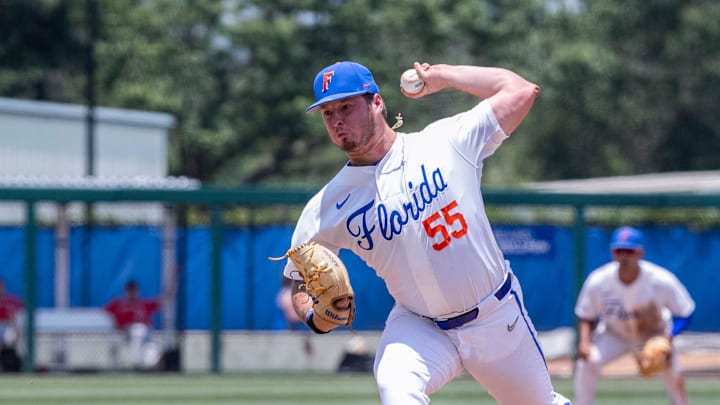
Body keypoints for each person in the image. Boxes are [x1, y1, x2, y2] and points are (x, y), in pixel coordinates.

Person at [280, 60, 570, 404]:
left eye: (346, 106)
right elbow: (298, 280)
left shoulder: (445, 142)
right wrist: (314, 317)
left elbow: (521, 90)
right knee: (395, 387)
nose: (338, 119)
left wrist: (444, 77)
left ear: (376, 102)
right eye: (327, 113)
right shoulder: (326, 205)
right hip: (419, 326)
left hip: (495, 316)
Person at [573, 226, 695, 405]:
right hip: (615, 335)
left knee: (673, 370)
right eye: (619, 250)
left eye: (629, 251)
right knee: (588, 361)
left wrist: (668, 337)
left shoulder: (660, 280)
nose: (624, 256)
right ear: (612, 252)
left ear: (640, 252)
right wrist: (584, 343)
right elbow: (586, 315)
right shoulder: (598, 281)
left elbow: (686, 313)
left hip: (654, 334)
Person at [104, 279, 162, 370]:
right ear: (125, 291)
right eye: (129, 290)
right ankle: (115, 367)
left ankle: (141, 365)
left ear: (137, 291)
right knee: (114, 338)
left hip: (144, 333)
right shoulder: (118, 304)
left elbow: (163, 302)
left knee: (140, 334)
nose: (131, 292)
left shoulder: (143, 304)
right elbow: (103, 315)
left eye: (134, 289)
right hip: (122, 332)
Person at [0, 278, 23, 372]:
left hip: (8, 326)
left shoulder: (12, 301)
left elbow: (19, 316)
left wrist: (15, 325)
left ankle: (16, 364)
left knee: (11, 336)